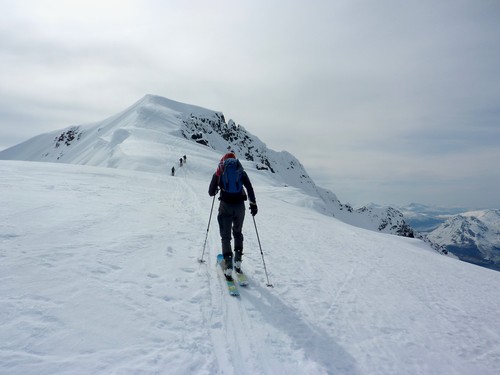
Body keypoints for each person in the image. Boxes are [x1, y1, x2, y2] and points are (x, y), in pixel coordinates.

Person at [208, 152, 258, 280]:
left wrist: (218, 187)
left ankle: (228, 266)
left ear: (223, 161)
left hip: (225, 206)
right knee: (237, 232)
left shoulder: (220, 171)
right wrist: (253, 204)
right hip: (240, 207)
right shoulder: (240, 171)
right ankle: (238, 261)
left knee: (225, 236)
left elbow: (211, 192)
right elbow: (249, 187)